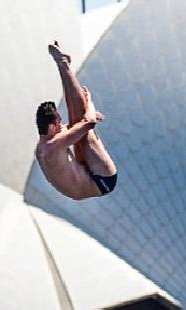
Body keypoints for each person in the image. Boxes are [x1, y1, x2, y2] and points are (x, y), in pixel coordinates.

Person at [35, 41, 117, 199]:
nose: (61, 123)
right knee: (83, 129)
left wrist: (87, 115)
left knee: (76, 125)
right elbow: (89, 123)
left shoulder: (42, 146)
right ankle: (62, 63)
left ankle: (63, 64)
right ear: (51, 127)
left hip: (82, 178)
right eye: (58, 122)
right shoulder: (54, 145)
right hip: (102, 180)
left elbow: (74, 127)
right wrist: (90, 102)